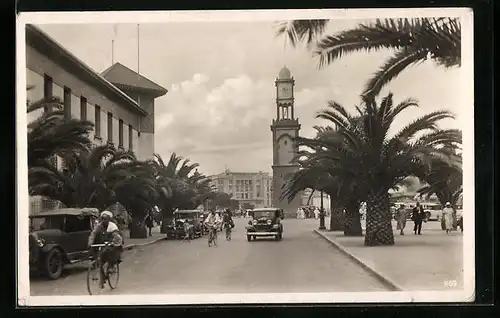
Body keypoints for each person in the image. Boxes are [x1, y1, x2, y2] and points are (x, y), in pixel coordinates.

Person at [87, 211, 124, 289]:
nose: (104, 220)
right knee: (99, 259)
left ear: (109, 219)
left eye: (106, 219)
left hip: (112, 243)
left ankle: (111, 266)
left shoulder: (112, 226)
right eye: (103, 219)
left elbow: (116, 235)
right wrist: (90, 242)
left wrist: (113, 241)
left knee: (112, 253)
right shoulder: (99, 226)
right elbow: (93, 234)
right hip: (103, 244)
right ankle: (102, 278)